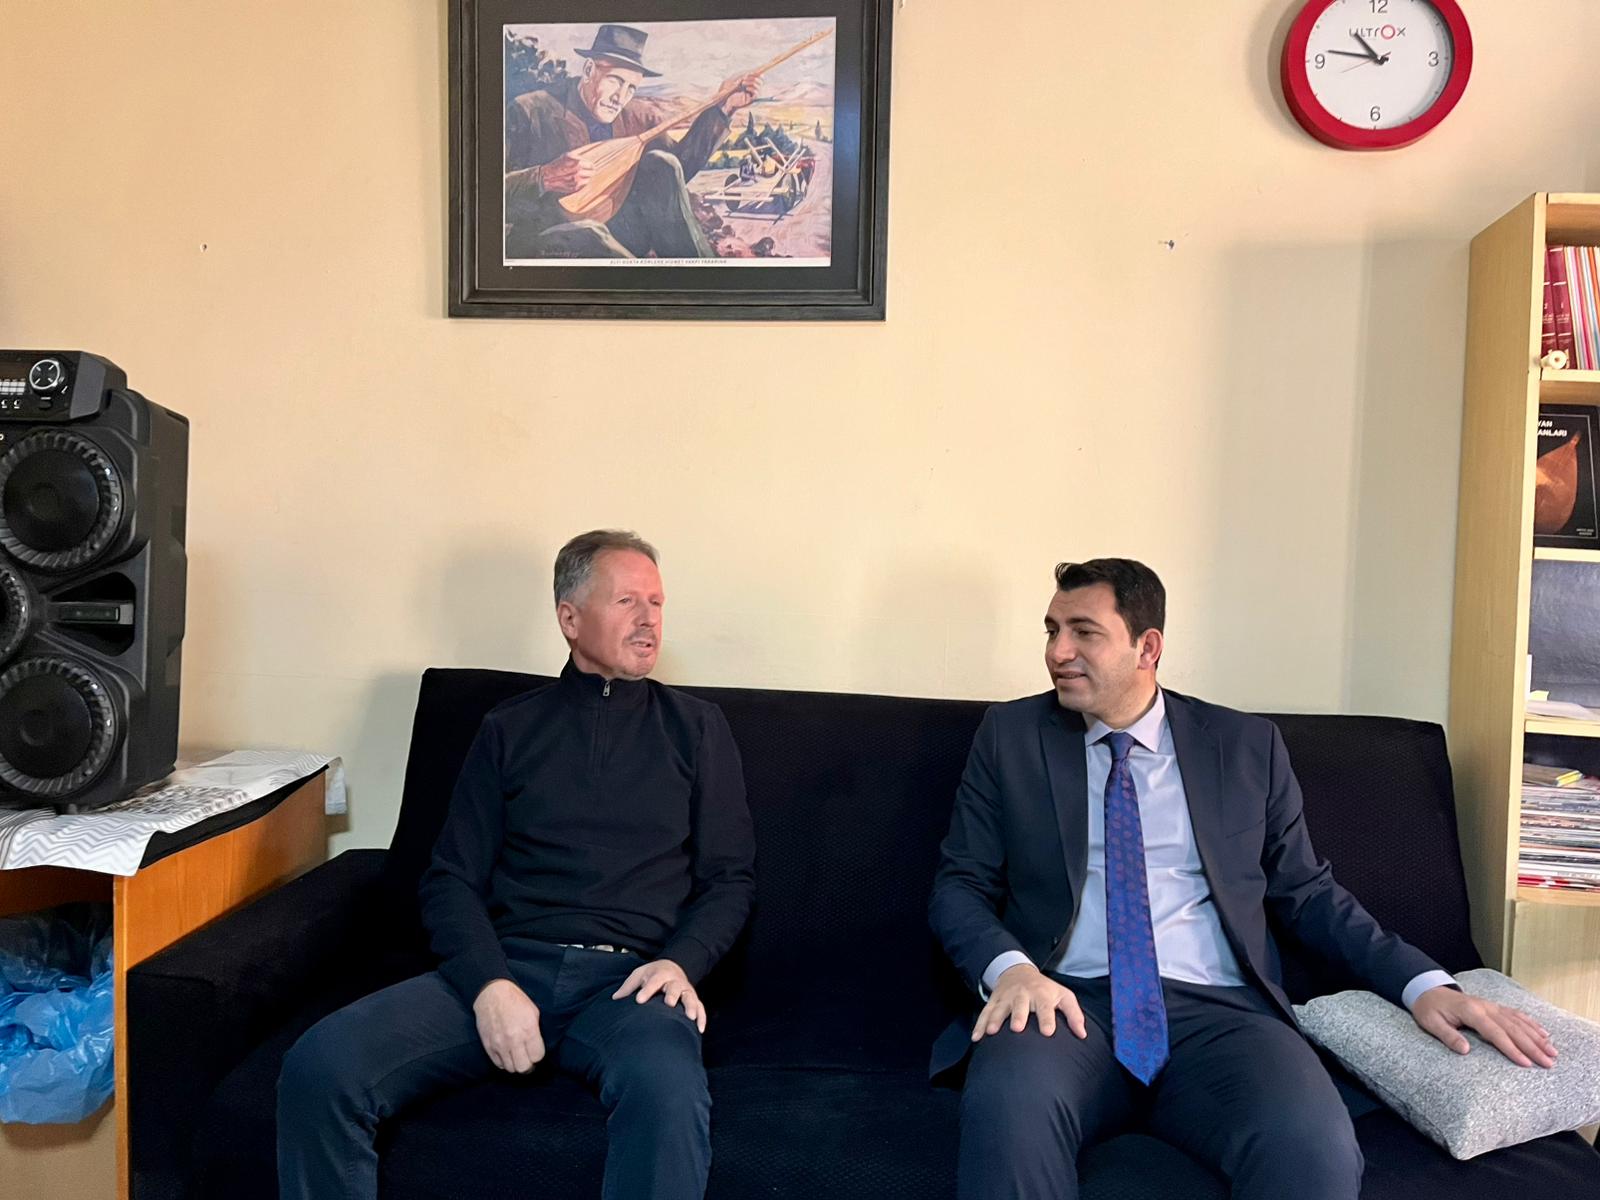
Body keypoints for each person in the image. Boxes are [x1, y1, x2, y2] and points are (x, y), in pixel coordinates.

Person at [928, 558, 1557, 1200]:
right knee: (1009, 1115)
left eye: (1084, 632)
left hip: (1221, 1016)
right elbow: (960, 885)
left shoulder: (1244, 746)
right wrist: (1013, 972)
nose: (1058, 652)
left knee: (1311, 1145)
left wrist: (1422, 985)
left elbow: (1309, 894)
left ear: (1148, 647)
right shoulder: (1011, 736)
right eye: (1052, 630)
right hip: (1063, 1005)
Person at [277, 530, 756, 1200]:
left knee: (669, 1095)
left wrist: (681, 963)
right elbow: (450, 879)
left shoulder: (697, 729)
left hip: (631, 983)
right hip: (510, 965)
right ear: (569, 618)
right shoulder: (509, 728)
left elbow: (730, 879)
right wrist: (489, 986)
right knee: (321, 1064)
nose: (649, 619)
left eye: (657, 602)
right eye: (627, 601)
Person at [503, 24, 761, 259]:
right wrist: (543, 177)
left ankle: (701, 277)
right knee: (592, 233)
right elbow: (487, 192)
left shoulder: (639, 117)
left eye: (630, 88)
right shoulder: (529, 111)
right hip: (550, 237)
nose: (620, 97)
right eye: (615, 81)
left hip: (624, 230)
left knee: (663, 162)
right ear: (589, 70)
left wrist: (724, 108)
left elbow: (676, 174)